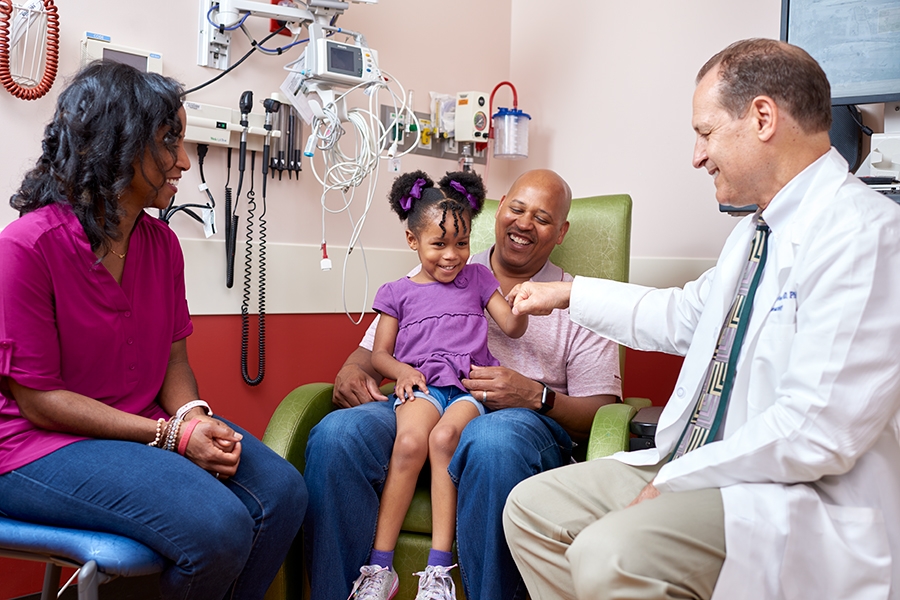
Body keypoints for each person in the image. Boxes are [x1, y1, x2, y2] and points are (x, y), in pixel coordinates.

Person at [504, 38, 900, 600]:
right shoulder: (753, 234)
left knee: (608, 553)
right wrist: (567, 295)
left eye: (705, 132)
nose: (697, 155)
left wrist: (679, 480)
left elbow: (818, 430)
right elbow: (683, 314)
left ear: (762, 117)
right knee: (531, 508)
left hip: (787, 490)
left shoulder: (865, 235)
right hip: (693, 459)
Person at [0, 62, 307, 600]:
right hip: (36, 446)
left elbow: (175, 362)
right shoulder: (27, 247)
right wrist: (170, 437)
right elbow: (40, 400)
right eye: (170, 142)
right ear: (117, 145)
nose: (184, 161)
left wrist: (191, 416)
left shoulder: (161, 246)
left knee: (283, 492)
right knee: (218, 527)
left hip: (146, 426)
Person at [304, 169, 622, 600]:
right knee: (337, 434)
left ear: (562, 231)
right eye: (517, 208)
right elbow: (376, 349)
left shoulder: (576, 300)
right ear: (499, 208)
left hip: (520, 418)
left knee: (493, 443)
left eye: (543, 218)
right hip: (421, 393)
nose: (525, 223)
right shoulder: (440, 266)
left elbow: (601, 413)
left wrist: (535, 395)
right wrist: (350, 369)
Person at [349, 170, 527, 599]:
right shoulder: (396, 292)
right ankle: (379, 568)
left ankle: (438, 570)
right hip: (422, 386)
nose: (452, 255)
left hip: (467, 387)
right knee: (410, 444)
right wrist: (402, 372)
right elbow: (379, 355)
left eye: (462, 244)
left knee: (446, 438)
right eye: (439, 244)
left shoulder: (482, 279)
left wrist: (524, 305)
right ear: (413, 241)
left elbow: (511, 326)